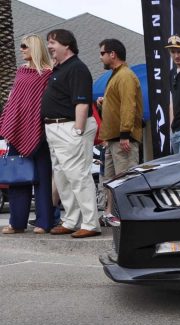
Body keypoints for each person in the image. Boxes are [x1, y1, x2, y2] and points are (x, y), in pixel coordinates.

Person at [41, 29, 100, 238]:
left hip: (70, 127)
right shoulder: (60, 68)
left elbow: (82, 103)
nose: (49, 46)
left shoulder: (77, 68)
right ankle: (71, 220)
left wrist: (78, 130)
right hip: (55, 129)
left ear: (66, 45)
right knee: (63, 177)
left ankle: (91, 223)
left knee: (78, 176)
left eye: (52, 42)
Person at [0, 35, 57, 234]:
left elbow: (44, 104)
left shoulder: (48, 74)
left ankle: (44, 222)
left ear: (34, 48)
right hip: (17, 130)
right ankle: (16, 223)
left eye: (25, 46)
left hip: (39, 132)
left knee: (42, 178)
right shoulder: (20, 71)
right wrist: (9, 124)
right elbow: (13, 101)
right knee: (18, 177)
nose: (21, 49)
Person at [96, 38, 143, 225]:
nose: (100, 58)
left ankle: (127, 217)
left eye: (102, 53)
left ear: (112, 54)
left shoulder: (125, 76)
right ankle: (110, 214)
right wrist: (104, 102)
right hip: (112, 139)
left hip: (123, 139)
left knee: (125, 179)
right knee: (110, 179)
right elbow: (119, 105)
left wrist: (125, 134)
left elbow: (128, 105)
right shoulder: (116, 76)